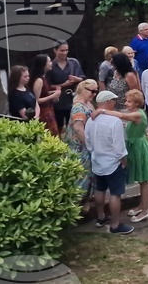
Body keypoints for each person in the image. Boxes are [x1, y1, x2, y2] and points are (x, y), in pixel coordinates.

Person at [93, 89, 148, 224]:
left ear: (137, 103)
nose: (126, 103)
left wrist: (101, 111)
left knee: (144, 180)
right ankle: (141, 206)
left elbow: (120, 115)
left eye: (129, 101)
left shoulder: (138, 114)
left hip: (139, 148)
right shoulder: (135, 114)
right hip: (134, 147)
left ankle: (145, 211)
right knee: (140, 179)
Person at [86, 91, 133, 235]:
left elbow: (88, 142)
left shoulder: (90, 120)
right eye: (113, 100)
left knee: (100, 190)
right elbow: (119, 145)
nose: (114, 102)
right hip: (112, 162)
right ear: (108, 102)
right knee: (115, 193)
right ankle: (115, 224)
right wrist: (123, 159)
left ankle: (101, 217)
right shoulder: (114, 121)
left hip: (97, 160)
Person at [65, 79, 97, 210]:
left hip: (87, 145)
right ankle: (77, 204)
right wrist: (90, 145)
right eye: (92, 91)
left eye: (96, 91)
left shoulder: (88, 103)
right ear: (83, 90)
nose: (94, 94)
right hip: (80, 147)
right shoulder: (78, 106)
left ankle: (86, 201)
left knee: (88, 175)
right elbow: (79, 129)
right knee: (81, 176)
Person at [47, 41, 84, 132]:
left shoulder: (74, 63)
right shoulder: (50, 65)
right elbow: (47, 86)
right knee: (58, 127)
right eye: (62, 50)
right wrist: (64, 85)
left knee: (73, 126)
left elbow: (83, 79)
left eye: (66, 50)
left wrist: (76, 79)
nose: (64, 53)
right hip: (57, 101)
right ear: (55, 50)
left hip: (73, 99)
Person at [29, 54, 62, 136]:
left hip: (49, 110)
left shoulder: (44, 77)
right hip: (43, 113)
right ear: (43, 64)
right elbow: (36, 100)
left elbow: (43, 93)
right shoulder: (39, 80)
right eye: (49, 61)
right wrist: (52, 96)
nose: (51, 63)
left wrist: (54, 92)